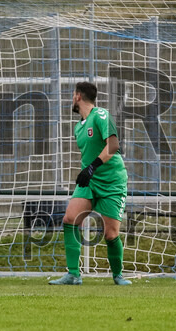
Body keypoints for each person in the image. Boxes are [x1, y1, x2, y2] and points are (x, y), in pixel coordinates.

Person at [49, 81, 131, 286]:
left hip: (112, 181)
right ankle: (73, 274)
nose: (71, 99)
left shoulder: (101, 115)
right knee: (69, 219)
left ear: (78, 96)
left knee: (111, 234)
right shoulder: (79, 127)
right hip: (89, 180)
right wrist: (88, 172)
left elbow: (113, 145)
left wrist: (93, 167)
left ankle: (118, 275)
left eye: (72, 95)